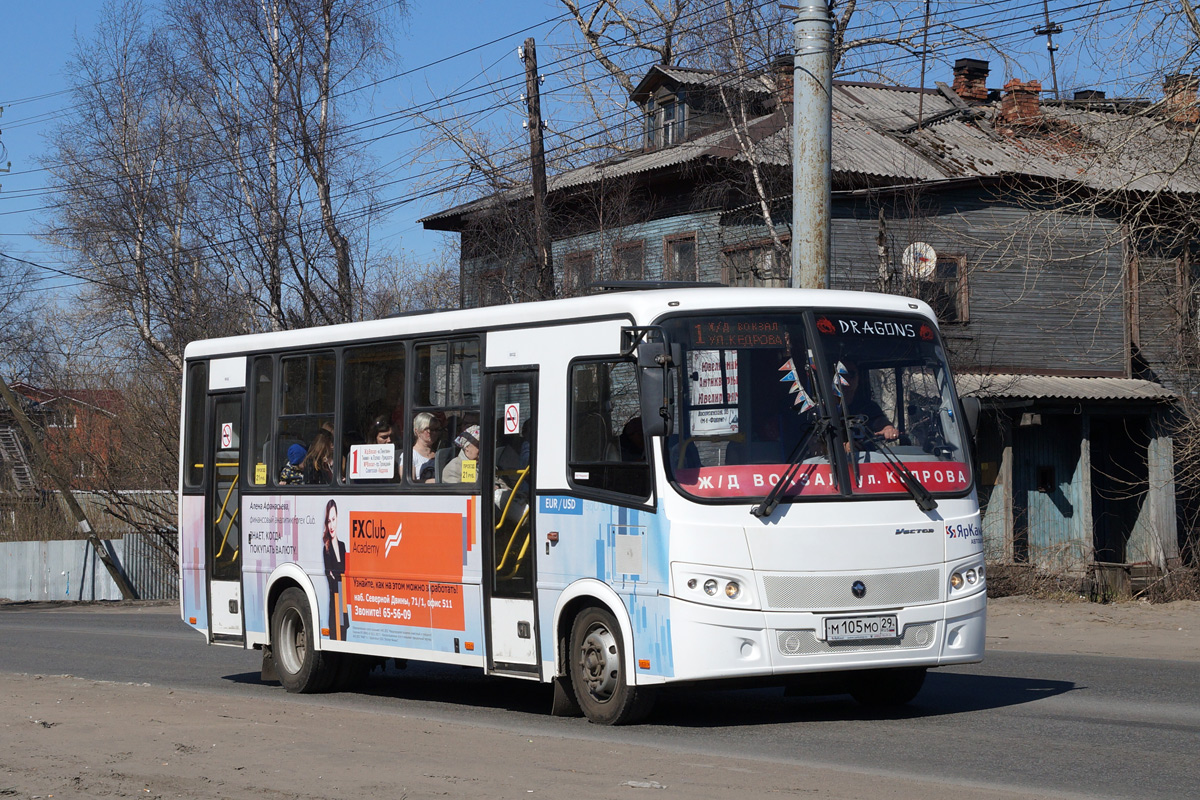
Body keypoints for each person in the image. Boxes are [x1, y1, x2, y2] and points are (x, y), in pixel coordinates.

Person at [839, 361, 899, 441]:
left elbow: (880, 422)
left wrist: (888, 429)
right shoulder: (822, 410)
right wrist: (843, 448)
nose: (845, 380)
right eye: (841, 375)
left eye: (851, 374)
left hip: (868, 453)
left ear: (858, 378)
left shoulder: (868, 407)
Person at [321, 499, 349, 640]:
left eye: (333, 519)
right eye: (328, 521)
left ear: (337, 518)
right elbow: (329, 576)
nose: (331, 525)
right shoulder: (326, 549)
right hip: (336, 600)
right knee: (337, 635)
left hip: (343, 600)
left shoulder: (343, 546)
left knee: (344, 632)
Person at [411, 411, 441, 483]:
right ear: (417, 431)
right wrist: (431, 482)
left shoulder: (439, 454)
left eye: (436, 430)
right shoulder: (410, 456)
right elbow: (409, 484)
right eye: (429, 430)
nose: (434, 433)